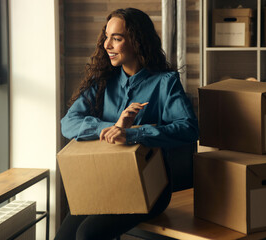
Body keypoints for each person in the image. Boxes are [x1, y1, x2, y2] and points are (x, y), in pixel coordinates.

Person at [56, 8, 198, 240]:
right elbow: (68, 123)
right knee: (63, 237)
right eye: (106, 37)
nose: (107, 45)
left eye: (117, 38)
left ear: (137, 41)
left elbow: (189, 129)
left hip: (150, 187)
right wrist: (112, 127)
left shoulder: (165, 83)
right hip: (104, 182)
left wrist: (132, 133)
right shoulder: (102, 81)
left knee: (87, 234)